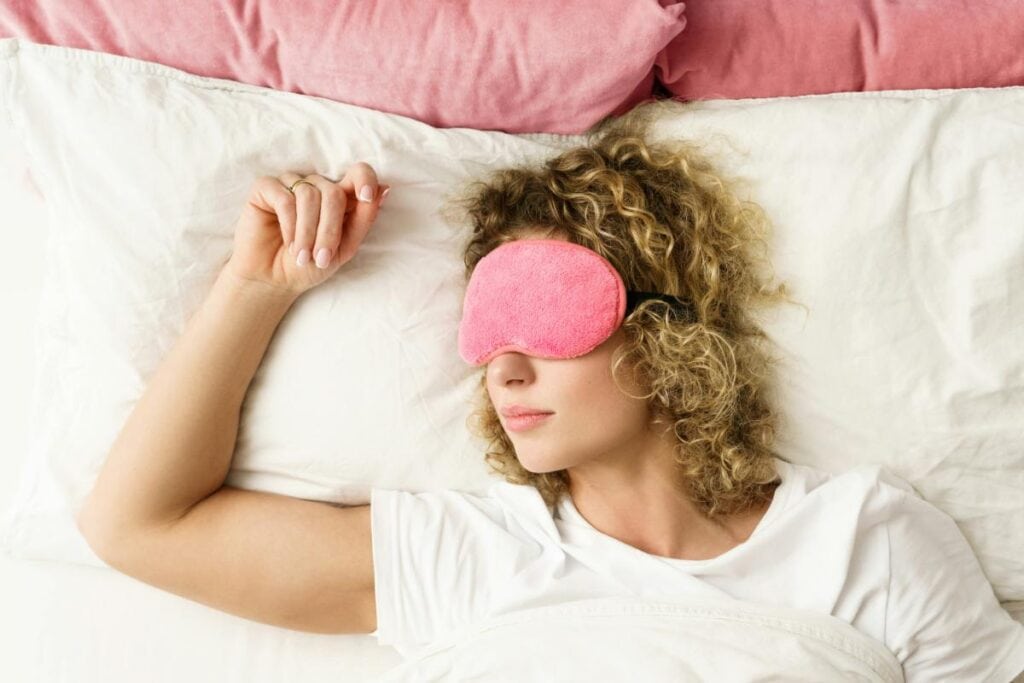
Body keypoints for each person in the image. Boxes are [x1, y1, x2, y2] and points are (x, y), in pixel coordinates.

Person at [76, 102, 1024, 681]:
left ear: (663, 333)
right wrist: (256, 287)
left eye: (545, 316)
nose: (503, 367)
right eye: (488, 333)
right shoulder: (472, 556)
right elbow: (139, 525)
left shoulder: (871, 545)